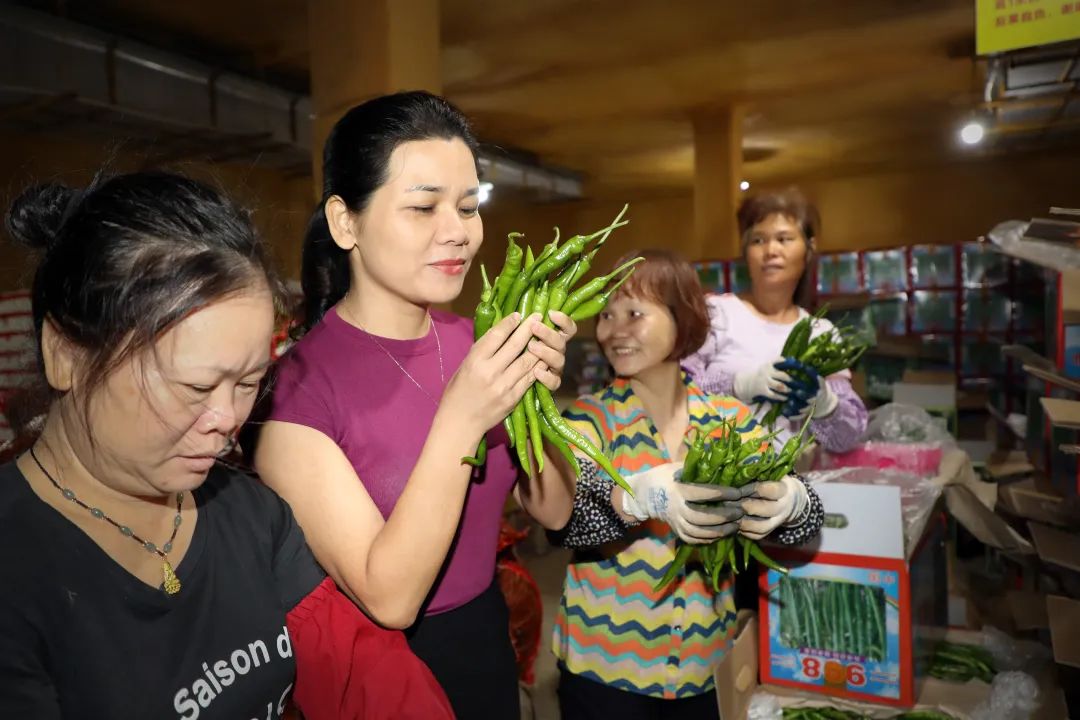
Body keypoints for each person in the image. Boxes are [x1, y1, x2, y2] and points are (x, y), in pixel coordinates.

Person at [0, 172, 453, 720]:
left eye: (247, 384)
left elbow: (367, 676)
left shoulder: (250, 513)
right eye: (193, 387)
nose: (226, 421)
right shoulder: (18, 567)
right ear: (66, 354)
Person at [254, 90, 577, 718]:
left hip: (486, 643)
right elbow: (391, 598)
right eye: (423, 207)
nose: (456, 231)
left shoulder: (475, 340)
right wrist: (463, 417)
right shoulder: (296, 391)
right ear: (345, 222)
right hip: (385, 670)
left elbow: (556, 510)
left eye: (467, 205)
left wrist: (536, 397)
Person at [544, 250, 824, 720]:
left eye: (635, 313)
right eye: (607, 315)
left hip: (704, 669)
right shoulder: (589, 420)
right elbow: (567, 523)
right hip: (605, 674)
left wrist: (793, 503)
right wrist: (636, 498)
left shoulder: (727, 420)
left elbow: (804, 522)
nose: (614, 330)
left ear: (683, 318)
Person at [683, 188, 867, 454]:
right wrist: (737, 385)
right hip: (712, 482)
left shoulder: (820, 334)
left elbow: (846, 439)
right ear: (745, 252)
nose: (771, 250)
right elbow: (676, 390)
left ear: (809, 249)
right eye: (758, 240)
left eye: (784, 239)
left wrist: (825, 404)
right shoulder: (717, 314)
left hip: (788, 487)